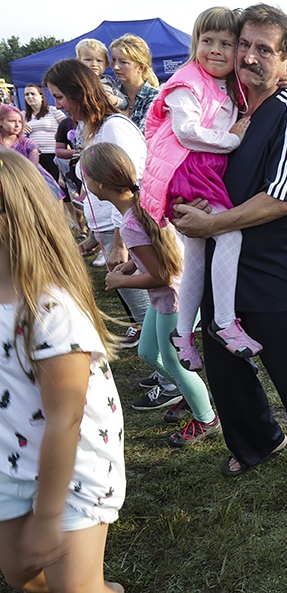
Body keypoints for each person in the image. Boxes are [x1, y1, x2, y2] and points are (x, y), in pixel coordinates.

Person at [170, 3, 287, 500]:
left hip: (274, 271)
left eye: (263, 50)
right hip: (220, 267)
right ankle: (257, 441)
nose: (248, 57)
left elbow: (281, 200)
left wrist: (210, 222)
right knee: (227, 368)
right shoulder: (224, 105)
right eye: (243, 44)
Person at [0, 147, 125, 593]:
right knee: (19, 574)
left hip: (71, 468)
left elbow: (66, 416)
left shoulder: (49, 308)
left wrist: (48, 514)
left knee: (72, 589)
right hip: (10, 461)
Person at [140, 7, 260, 371]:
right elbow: (186, 131)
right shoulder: (186, 81)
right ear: (196, 43)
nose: (217, 50)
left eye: (227, 43)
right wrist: (232, 139)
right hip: (188, 171)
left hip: (199, 170)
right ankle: (224, 321)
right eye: (208, 41)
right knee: (230, 233)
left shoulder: (223, 82)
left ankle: (181, 332)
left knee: (195, 253)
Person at [84, 142, 222, 445]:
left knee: (172, 362)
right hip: (171, 295)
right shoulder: (139, 208)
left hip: (175, 299)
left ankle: (207, 419)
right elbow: (152, 256)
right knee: (148, 352)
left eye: (86, 177)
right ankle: (190, 392)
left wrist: (120, 282)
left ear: (101, 185)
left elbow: (161, 275)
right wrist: (131, 267)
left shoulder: (133, 222)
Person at [44, 59, 154, 356]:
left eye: (59, 96)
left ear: (78, 91)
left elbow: (131, 185)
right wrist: (94, 234)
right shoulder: (90, 128)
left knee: (148, 308)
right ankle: (163, 369)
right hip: (111, 230)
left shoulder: (114, 128)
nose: (58, 105)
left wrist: (120, 242)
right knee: (137, 307)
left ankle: (170, 377)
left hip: (129, 230)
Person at [110, 34, 160, 132]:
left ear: (141, 67)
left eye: (123, 62)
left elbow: (142, 136)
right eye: (114, 60)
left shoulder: (154, 96)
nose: (115, 67)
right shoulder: (112, 94)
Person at [22, 84, 65, 180]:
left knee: (58, 184)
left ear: (41, 96)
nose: (29, 97)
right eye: (26, 94)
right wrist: (21, 127)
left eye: (32, 94)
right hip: (34, 155)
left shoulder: (53, 110)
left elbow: (66, 126)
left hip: (54, 154)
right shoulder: (22, 115)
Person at [74, 39, 128, 111]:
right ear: (78, 62)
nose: (94, 64)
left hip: (108, 119)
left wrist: (115, 100)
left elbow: (125, 102)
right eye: (88, 60)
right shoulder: (77, 81)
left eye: (99, 61)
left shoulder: (109, 81)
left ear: (106, 64)